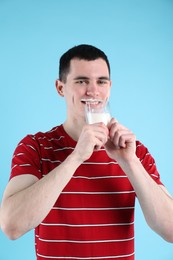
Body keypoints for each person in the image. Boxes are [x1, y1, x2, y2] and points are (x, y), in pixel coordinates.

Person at [1, 44, 173, 260]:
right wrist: (76, 157)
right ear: (60, 88)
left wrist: (130, 162)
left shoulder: (134, 151)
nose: (93, 91)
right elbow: (12, 226)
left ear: (109, 87)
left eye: (101, 82)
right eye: (81, 81)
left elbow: (170, 230)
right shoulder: (35, 146)